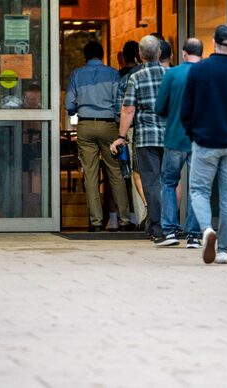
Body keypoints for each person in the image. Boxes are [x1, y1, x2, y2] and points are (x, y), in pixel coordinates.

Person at [181, 24, 227, 265]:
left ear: (213, 41)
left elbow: (186, 108)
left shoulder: (200, 71)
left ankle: (206, 230)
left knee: (199, 191)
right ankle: (222, 250)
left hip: (205, 141)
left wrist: (192, 132)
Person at [64, 41, 133, 232]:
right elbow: (119, 101)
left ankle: (95, 222)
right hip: (109, 125)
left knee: (90, 174)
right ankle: (125, 220)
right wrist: (121, 129)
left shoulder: (77, 74)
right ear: (102, 55)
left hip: (85, 125)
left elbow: (69, 103)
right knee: (115, 172)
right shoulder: (112, 73)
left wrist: (77, 109)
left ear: (85, 56)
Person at [111, 35, 167, 240]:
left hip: (145, 138)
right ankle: (169, 224)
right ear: (159, 53)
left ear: (140, 56)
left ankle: (157, 227)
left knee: (150, 182)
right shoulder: (170, 75)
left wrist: (121, 136)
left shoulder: (135, 77)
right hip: (170, 137)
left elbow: (127, 110)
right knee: (168, 181)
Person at [154, 38, 204, 248]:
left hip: (175, 135)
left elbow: (159, 107)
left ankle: (170, 231)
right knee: (197, 187)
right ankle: (193, 235)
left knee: (168, 182)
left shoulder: (172, 74)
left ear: (183, 53)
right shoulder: (206, 74)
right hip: (200, 139)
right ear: (201, 54)